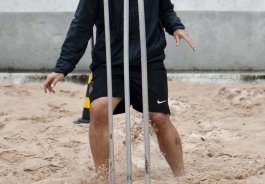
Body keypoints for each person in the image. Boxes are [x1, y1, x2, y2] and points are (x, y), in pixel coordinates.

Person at [43, 0, 196, 181]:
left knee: (159, 117)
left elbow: (165, 9)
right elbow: (81, 24)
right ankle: (103, 177)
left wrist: (176, 27)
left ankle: (181, 177)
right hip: (110, 61)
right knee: (99, 108)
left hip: (149, 59)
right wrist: (62, 67)